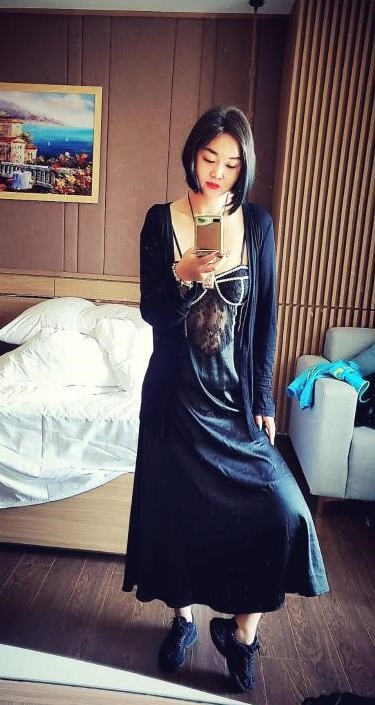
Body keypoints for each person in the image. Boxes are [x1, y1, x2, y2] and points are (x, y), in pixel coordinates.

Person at [122, 105, 329, 693]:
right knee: (176, 516)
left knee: (284, 511)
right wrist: (184, 276)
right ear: (192, 154)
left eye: (232, 163)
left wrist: (263, 397)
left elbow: (266, 322)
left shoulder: (257, 225)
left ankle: (241, 633)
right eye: (209, 157)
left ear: (245, 168)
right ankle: (183, 620)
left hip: (234, 404)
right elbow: (154, 313)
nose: (217, 172)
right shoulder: (160, 221)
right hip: (175, 403)